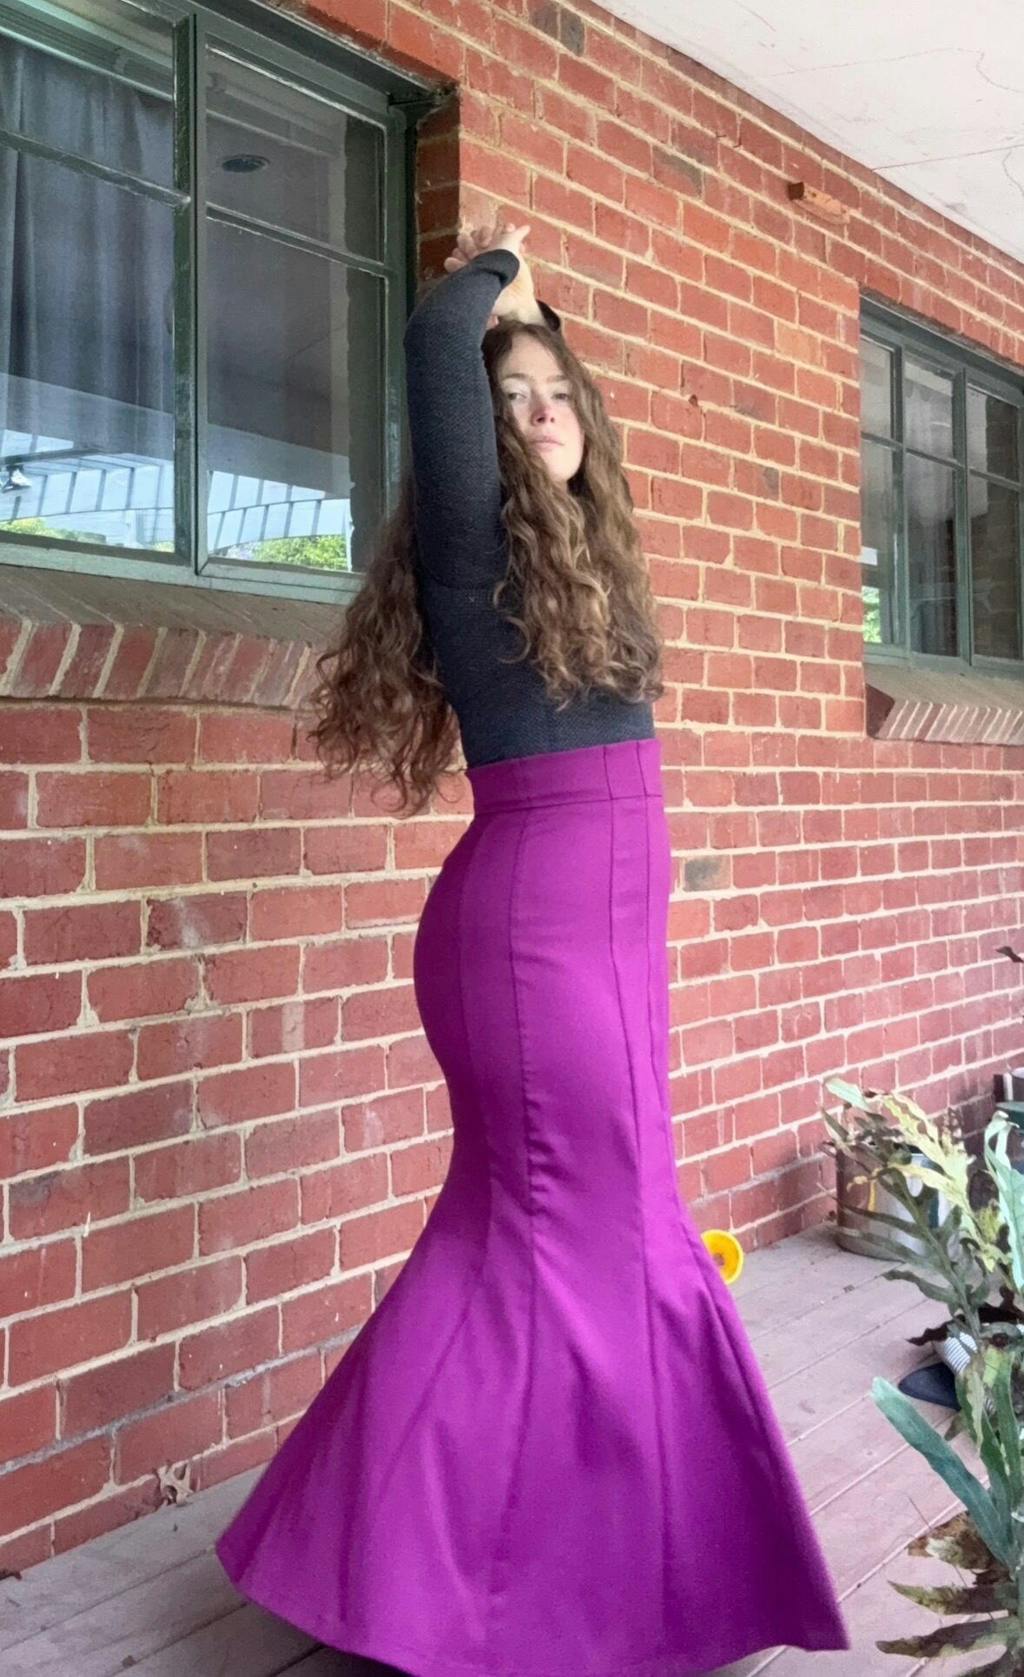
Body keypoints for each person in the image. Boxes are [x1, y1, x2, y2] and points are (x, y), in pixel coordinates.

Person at [215, 222, 850, 1675]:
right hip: (527, 943)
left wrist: (538, 323)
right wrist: (501, 268)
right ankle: (442, 1566)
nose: (544, 412)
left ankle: (562, 1566)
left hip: (604, 940)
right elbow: (438, 342)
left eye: (560, 391)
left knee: (579, 1229)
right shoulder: (472, 539)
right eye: (516, 401)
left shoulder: (579, 562)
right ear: (478, 440)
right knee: (571, 1231)